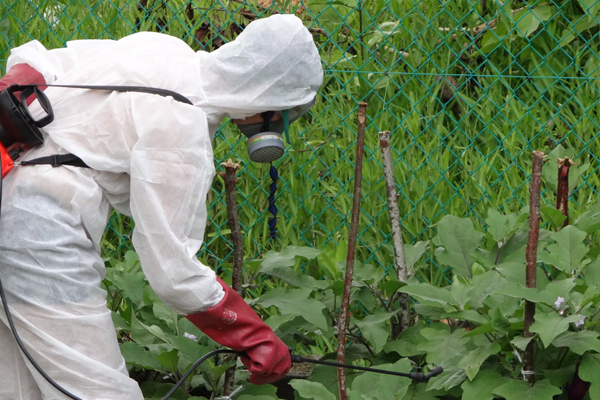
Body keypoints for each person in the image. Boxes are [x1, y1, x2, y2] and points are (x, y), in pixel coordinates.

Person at [0, 13, 323, 400]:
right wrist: (253, 336)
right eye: (285, 111)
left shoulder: (165, 50)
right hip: (40, 233)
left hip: (11, 189)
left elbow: (40, 62)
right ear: (267, 96)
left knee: (19, 387)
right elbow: (172, 271)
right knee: (101, 392)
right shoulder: (184, 126)